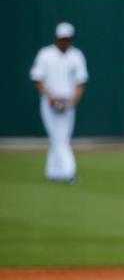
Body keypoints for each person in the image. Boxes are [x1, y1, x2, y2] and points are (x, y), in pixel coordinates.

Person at [30, 22, 88, 184]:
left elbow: (80, 82)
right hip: (50, 102)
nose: (65, 41)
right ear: (56, 38)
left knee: (62, 137)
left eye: (68, 39)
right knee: (58, 137)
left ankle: (53, 172)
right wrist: (51, 98)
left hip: (68, 102)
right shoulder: (45, 54)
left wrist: (71, 102)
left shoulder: (76, 56)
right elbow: (38, 78)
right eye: (62, 38)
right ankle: (69, 172)